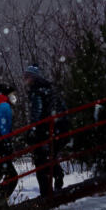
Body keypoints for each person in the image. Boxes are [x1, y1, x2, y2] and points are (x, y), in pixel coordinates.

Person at [23, 64, 64, 201]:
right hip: (53, 129)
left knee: (41, 163)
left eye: (27, 77)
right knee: (48, 157)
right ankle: (57, 176)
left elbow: (36, 112)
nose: (25, 80)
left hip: (43, 130)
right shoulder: (49, 89)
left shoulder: (36, 91)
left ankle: (46, 194)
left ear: (33, 78)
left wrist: (33, 129)